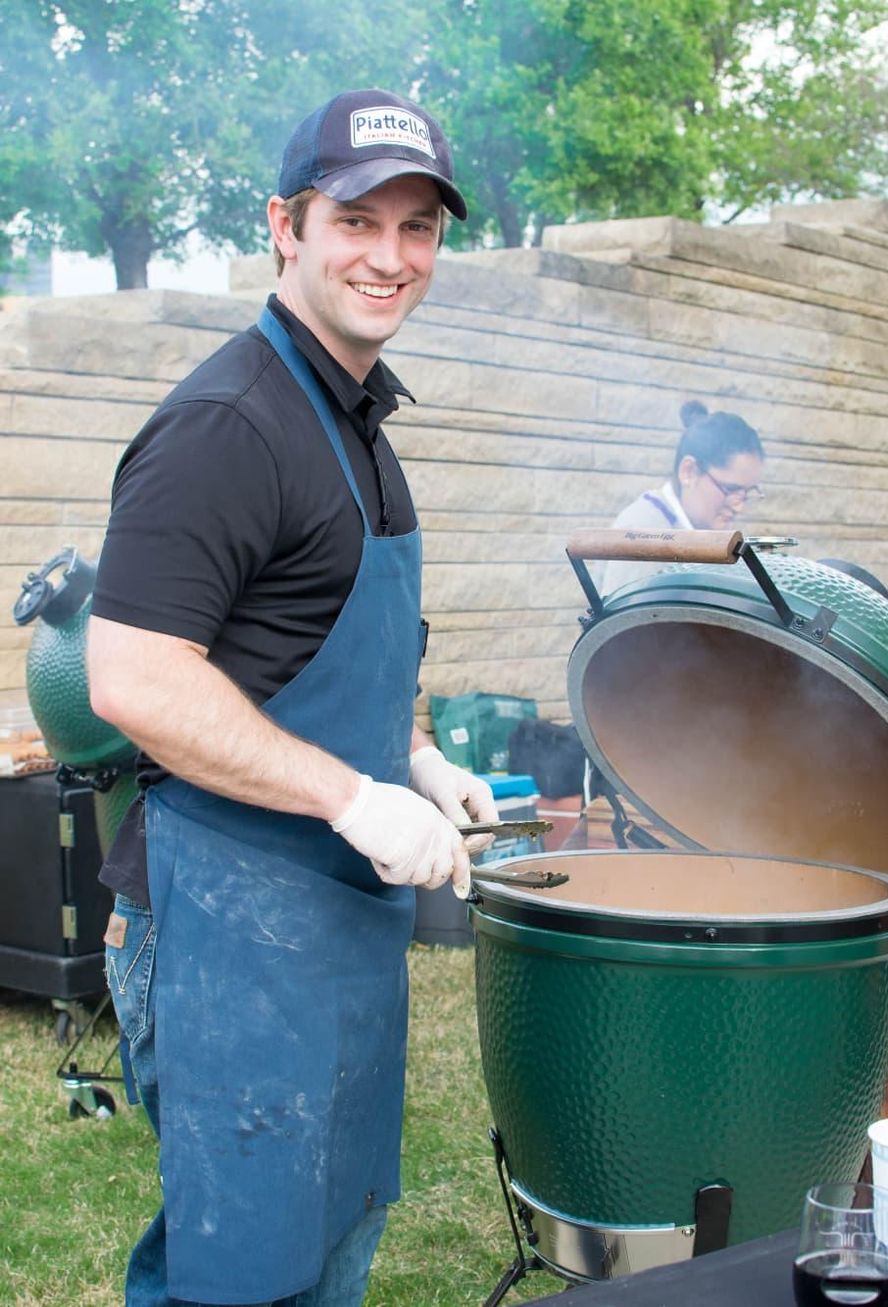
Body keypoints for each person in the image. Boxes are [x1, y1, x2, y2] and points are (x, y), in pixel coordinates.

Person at [86, 88, 498, 1307]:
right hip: (221, 922)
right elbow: (135, 678)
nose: (388, 255)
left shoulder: (358, 416)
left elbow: (338, 642)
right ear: (285, 226)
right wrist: (350, 797)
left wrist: (415, 759)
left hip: (336, 923)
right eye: (355, 220)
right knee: (237, 1268)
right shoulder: (228, 424)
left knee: (330, 1236)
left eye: (416, 227)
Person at [599, 399, 765, 595]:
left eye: (747, 493)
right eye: (730, 489)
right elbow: (624, 614)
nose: (739, 507)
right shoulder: (644, 534)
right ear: (689, 471)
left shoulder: (696, 531)